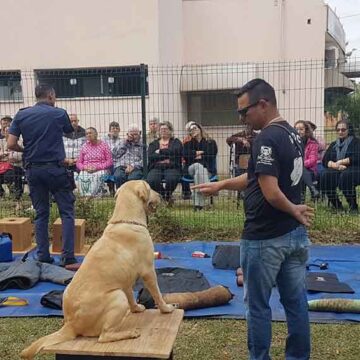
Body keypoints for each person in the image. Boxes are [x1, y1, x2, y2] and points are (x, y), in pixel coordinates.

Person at [192, 79, 314, 360]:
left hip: (265, 238)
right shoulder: (292, 134)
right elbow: (254, 179)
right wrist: (221, 185)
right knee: (296, 303)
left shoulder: (266, 138)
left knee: (257, 306)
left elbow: (271, 192)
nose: (241, 118)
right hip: (294, 236)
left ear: (263, 104)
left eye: (244, 112)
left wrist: (293, 209)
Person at [7, 84, 77, 266]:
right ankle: (67, 257)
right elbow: (70, 133)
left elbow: (11, 144)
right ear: (51, 96)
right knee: (67, 212)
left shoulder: (21, 114)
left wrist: (26, 149)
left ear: (36, 96)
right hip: (56, 169)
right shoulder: (59, 113)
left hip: (33, 169)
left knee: (41, 213)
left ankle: (43, 256)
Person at [319, 119, 360, 212]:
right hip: (337, 168)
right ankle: (336, 205)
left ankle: (353, 206)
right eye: (338, 130)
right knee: (325, 175)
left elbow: (357, 157)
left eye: (343, 129)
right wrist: (335, 165)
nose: (340, 132)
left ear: (349, 130)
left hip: (355, 168)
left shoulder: (356, 142)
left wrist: (341, 161)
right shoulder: (334, 144)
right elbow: (325, 160)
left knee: (347, 175)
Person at [183, 122, 218, 211]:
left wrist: (195, 155)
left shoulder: (211, 142)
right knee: (198, 166)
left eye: (195, 128)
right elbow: (186, 156)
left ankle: (198, 205)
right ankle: (208, 190)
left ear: (200, 129)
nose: (193, 130)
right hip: (191, 169)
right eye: (191, 130)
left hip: (207, 171)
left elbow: (211, 156)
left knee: (199, 170)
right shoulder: (188, 144)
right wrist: (199, 153)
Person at [147, 121, 182, 204]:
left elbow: (176, 152)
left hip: (172, 166)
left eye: (165, 129)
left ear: (170, 131)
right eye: (161, 129)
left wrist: (160, 152)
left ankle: (168, 196)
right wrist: (168, 155)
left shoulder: (176, 142)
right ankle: (164, 196)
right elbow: (151, 156)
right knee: (152, 180)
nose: (163, 131)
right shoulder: (154, 143)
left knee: (172, 179)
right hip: (156, 167)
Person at [76, 127, 113, 197]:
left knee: (96, 176)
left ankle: (91, 196)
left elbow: (110, 161)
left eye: (90, 133)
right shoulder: (84, 146)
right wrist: (85, 167)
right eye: (86, 134)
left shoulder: (104, 145)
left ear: (96, 134)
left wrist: (97, 168)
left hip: (101, 169)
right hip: (87, 168)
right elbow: (79, 163)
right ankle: (84, 195)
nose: (88, 135)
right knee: (82, 175)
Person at [294, 120, 320, 199]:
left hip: (310, 169)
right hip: (295, 168)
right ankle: (312, 189)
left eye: (301, 129)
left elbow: (313, 160)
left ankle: (301, 199)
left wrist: (300, 164)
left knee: (301, 170)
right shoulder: (292, 142)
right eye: (296, 129)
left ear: (306, 130)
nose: (298, 131)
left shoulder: (313, 143)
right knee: (299, 171)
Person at [0, 125, 24, 205]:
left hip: (16, 166)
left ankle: (17, 197)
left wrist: (5, 156)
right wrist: (7, 155)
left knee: (14, 174)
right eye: (6, 131)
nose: (8, 133)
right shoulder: (1, 142)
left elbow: (19, 157)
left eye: (10, 131)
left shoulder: (20, 142)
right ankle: (1, 195)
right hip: (2, 167)